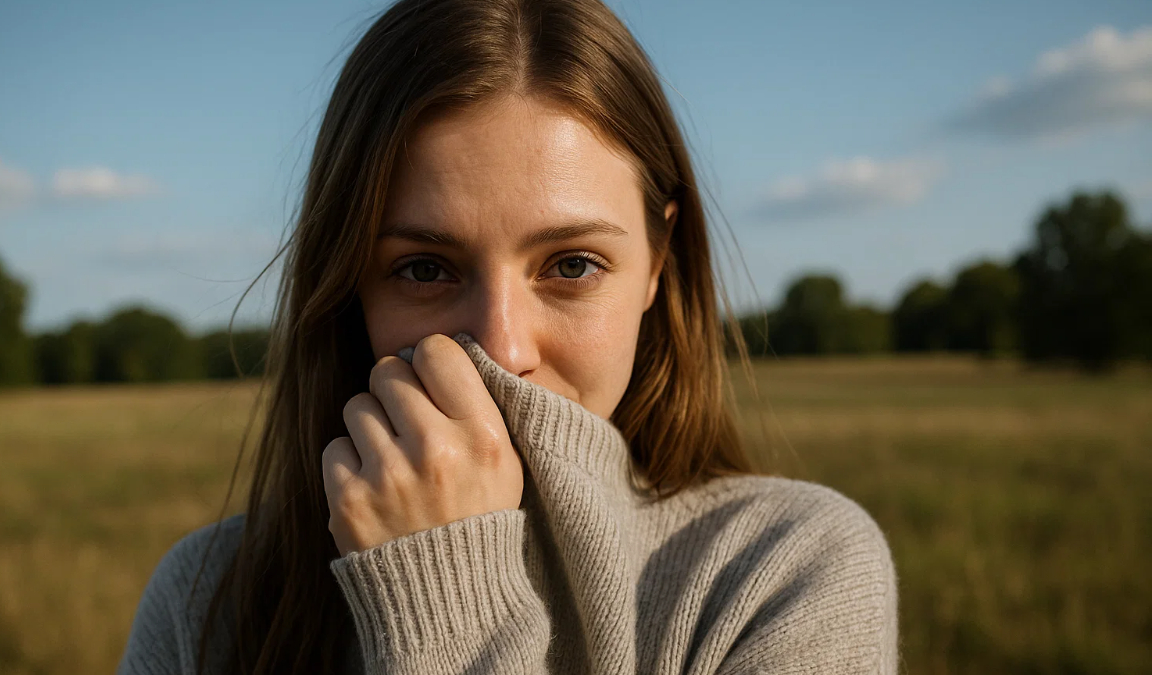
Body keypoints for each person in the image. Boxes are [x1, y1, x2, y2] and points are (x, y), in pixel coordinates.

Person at [117, 0, 898, 673]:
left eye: (572, 264)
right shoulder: (209, 598)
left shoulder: (784, 567)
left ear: (657, 262)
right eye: (424, 269)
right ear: (349, 280)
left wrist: (442, 594)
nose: (501, 348)